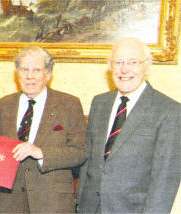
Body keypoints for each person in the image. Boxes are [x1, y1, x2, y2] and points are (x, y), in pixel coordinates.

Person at [77, 37, 181, 213]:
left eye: (133, 62)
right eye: (118, 62)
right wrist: (80, 205)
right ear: (110, 66)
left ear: (146, 66)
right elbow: (89, 163)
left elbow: (165, 180)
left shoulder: (169, 111)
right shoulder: (100, 103)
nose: (124, 69)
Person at [0, 46, 87, 213]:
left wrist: (40, 152)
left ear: (48, 74)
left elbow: (79, 153)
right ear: (17, 73)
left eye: (37, 70)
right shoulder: (3, 105)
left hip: (52, 202)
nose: (30, 76)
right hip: (11, 203)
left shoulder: (69, 104)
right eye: (24, 69)